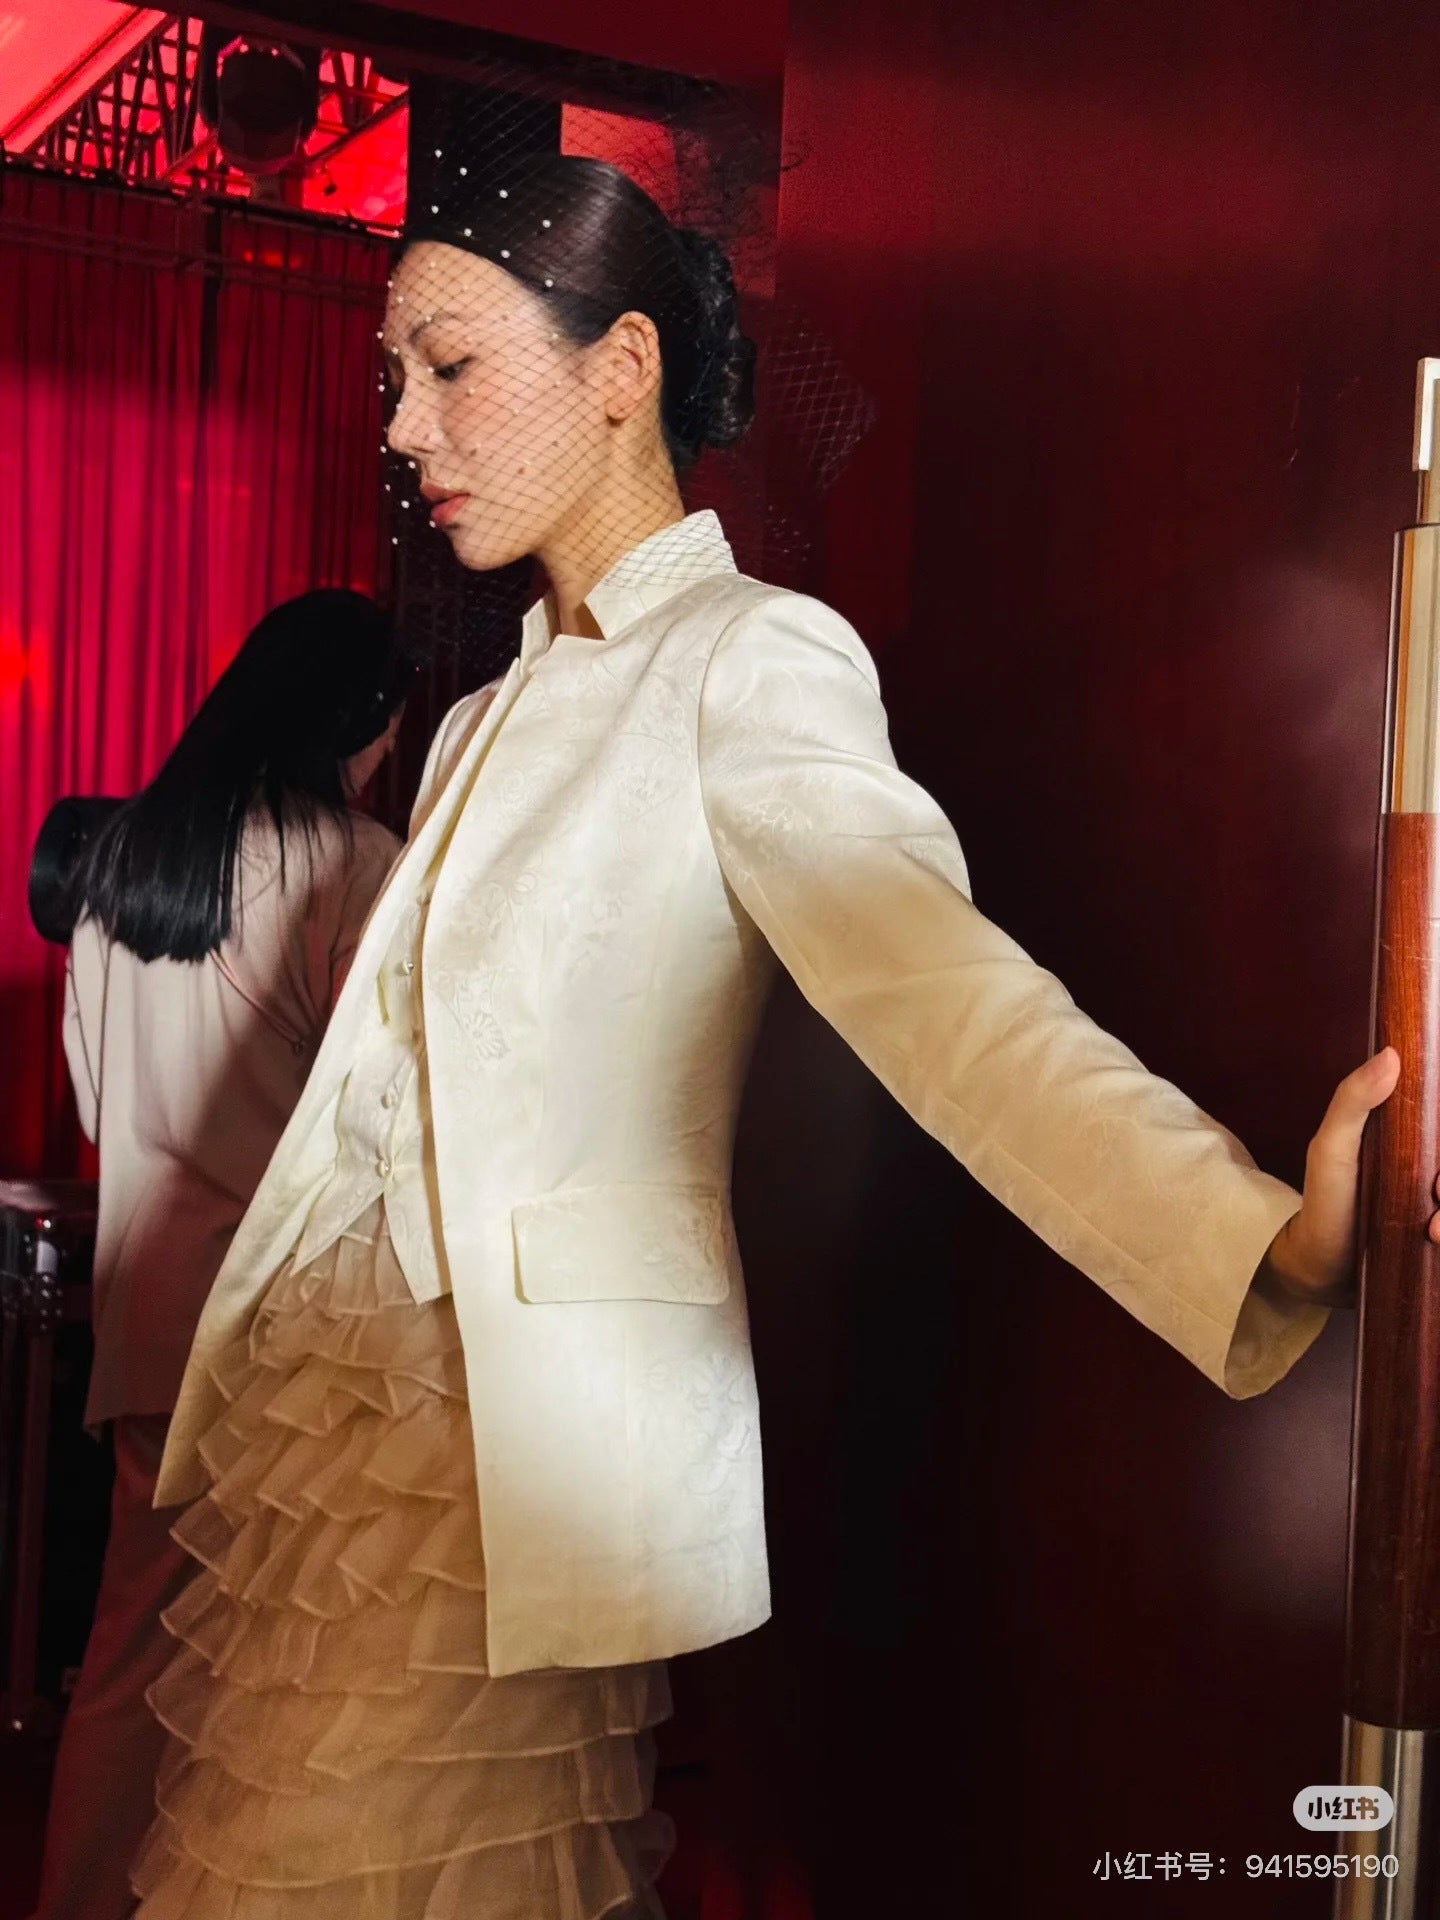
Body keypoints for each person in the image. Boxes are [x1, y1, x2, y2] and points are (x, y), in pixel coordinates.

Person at [127, 158, 1422, 1919]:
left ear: (621, 366)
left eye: (449, 364)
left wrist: (1260, 1237)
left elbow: (953, 1005)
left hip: (522, 1454)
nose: (405, 425)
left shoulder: (755, 659)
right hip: (342, 1445)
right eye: (393, 379)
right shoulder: (480, 715)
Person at [35, 589, 408, 1920]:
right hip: (289, 1331)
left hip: (147, 1314)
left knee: (131, 1660)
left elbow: (95, 1105)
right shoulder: (354, 862)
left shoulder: (127, 862)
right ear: (361, 722)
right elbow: (378, 1119)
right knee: (287, 1678)